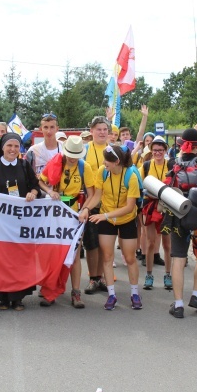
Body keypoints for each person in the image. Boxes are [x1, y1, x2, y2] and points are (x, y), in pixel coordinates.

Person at [0, 132, 41, 310]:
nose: (13, 150)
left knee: (19, 259)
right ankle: (3, 297)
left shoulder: (23, 164)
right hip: (0, 223)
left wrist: (33, 193)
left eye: (16, 146)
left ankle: (18, 297)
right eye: (9, 146)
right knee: (1, 259)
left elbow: (35, 185)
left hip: (20, 221)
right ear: (2, 148)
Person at [78, 145, 142, 310]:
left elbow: (129, 207)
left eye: (107, 161)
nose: (104, 163)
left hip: (126, 218)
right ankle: (111, 295)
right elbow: (97, 196)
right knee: (107, 257)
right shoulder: (103, 171)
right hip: (106, 217)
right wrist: (86, 208)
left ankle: (134, 293)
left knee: (129, 258)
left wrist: (105, 215)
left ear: (117, 161)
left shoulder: (131, 176)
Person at [38, 135, 95, 308]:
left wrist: (85, 209)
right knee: (53, 252)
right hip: (54, 212)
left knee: (75, 254)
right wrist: (49, 191)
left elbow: (92, 194)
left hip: (74, 214)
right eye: (70, 154)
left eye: (76, 155)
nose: (72, 158)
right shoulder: (56, 162)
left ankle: (75, 293)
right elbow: (40, 180)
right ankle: (50, 290)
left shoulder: (85, 167)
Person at [163, 128, 197, 318]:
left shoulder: (172, 162)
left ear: (180, 144)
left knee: (179, 258)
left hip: (179, 215)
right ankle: (196, 295)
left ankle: (178, 304)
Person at [82, 115, 111, 294]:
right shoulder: (84, 150)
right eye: (98, 129)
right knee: (91, 243)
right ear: (91, 131)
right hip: (89, 201)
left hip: (109, 203)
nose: (101, 132)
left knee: (104, 244)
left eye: (104, 129)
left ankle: (101, 277)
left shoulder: (113, 150)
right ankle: (93, 278)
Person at [140, 136, 173, 290]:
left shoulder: (171, 165)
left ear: (165, 150)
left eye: (160, 150)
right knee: (150, 242)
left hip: (167, 207)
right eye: (155, 150)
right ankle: (149, 275)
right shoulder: (146, 166)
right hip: (150, 205)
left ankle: (168, 275)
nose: (157, 153)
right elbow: (140, 185)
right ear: (151, 151)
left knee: (167, 244)